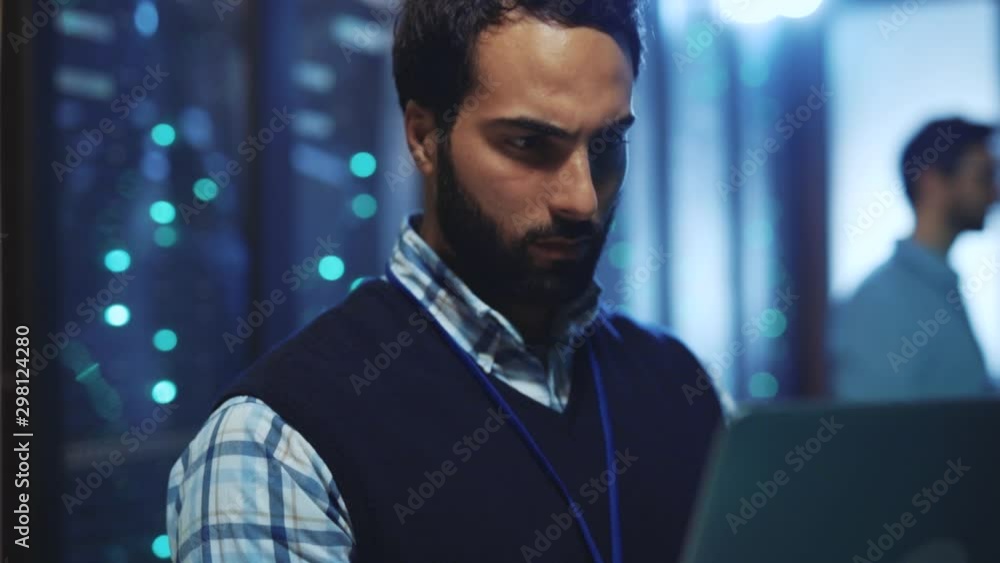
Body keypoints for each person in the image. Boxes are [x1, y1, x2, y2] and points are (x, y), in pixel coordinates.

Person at [166, 1, 723, 561]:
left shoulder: (679, 381)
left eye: (606, 146)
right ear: (425, 137)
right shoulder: (276, 446)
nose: (582, 199)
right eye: (529, 145)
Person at [829, 117, 997, 402]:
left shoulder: (941, 284)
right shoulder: (879, 300)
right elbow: (881, 431)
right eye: (984, 177)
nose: (995, 194)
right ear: (932, 183)